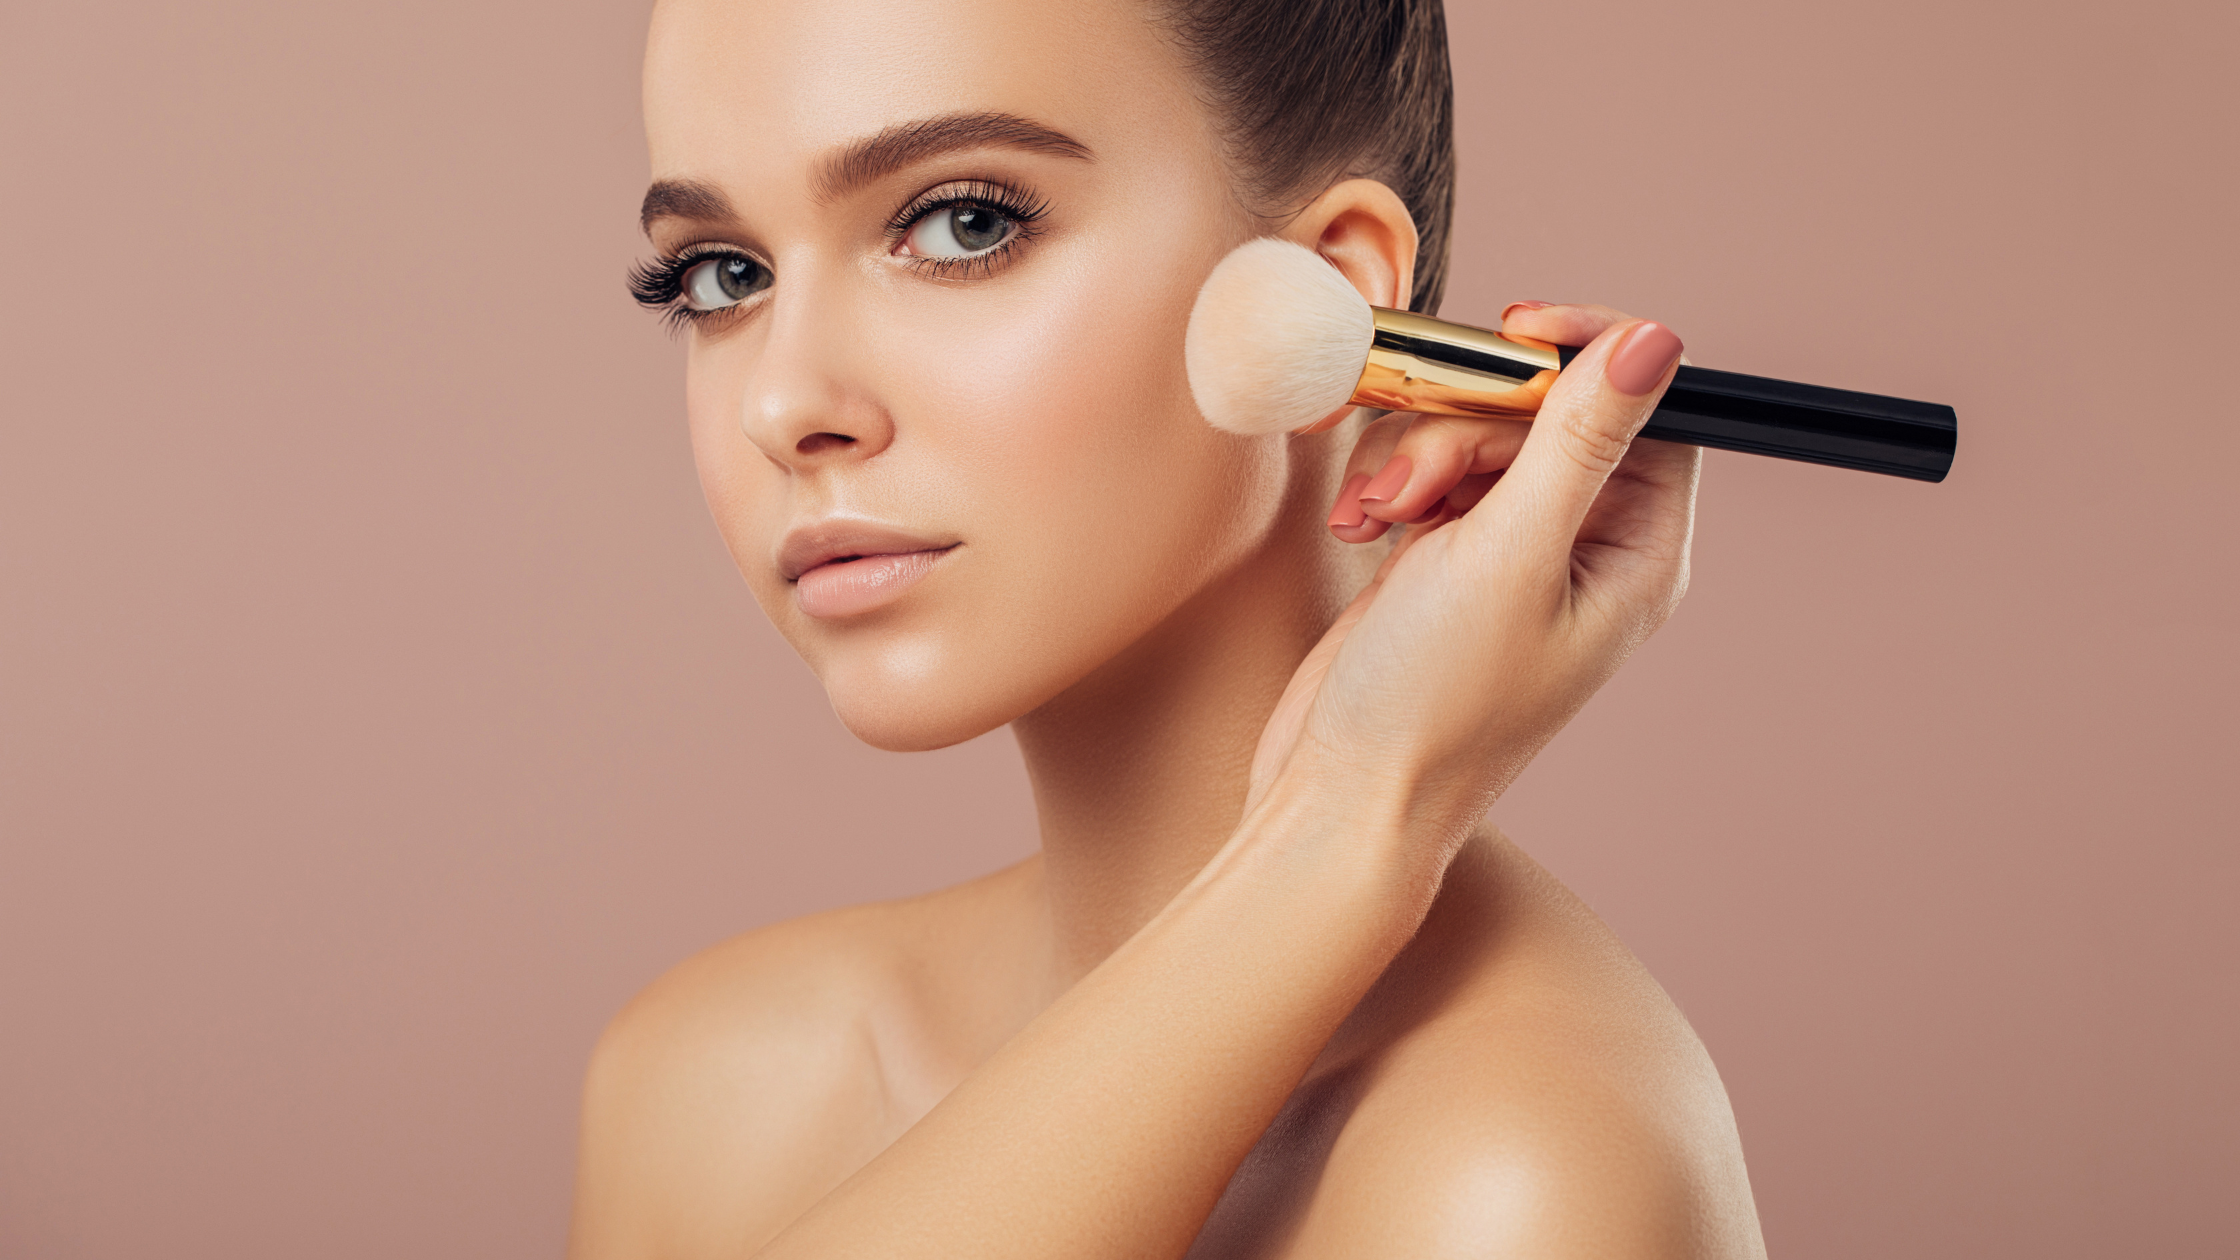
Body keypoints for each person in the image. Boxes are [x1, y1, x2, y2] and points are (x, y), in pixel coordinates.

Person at [569, 0, 1766, 1255]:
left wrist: (1355, 817)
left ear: (1337, 291)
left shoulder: (1521, 1173)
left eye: (962, 223)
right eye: (723, 276)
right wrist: (1341, 828)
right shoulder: (710, 1081)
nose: (782, 405)